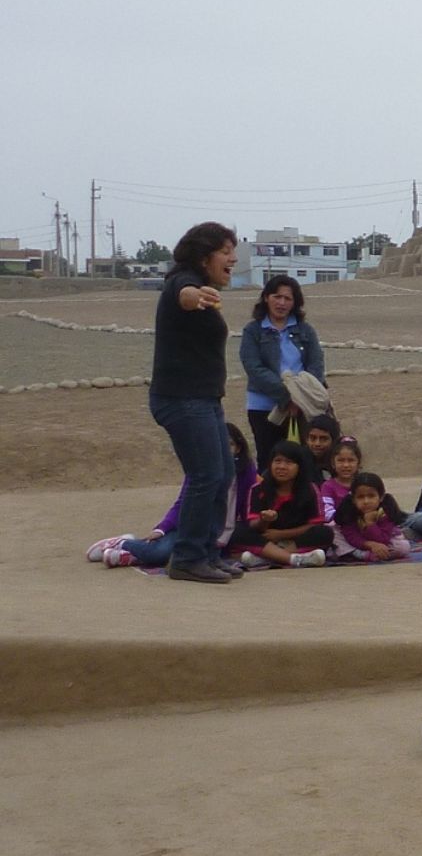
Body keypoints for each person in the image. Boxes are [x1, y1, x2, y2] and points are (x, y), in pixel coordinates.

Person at [148, 221, 242, 584]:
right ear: (205, 257)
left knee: (223, 475)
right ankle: (186, 557)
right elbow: (183, 294)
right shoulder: (183, 281)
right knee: (206, 477)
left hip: (202, 399)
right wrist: (195, 296)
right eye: (226, 252)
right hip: (182, 399)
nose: (233, 258)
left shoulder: (197, 282)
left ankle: (207, 553)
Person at [87, 423, 257, 570]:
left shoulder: (247, 471)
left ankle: (130, 556)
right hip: (189, 527)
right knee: (161, 553)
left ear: (238, 448)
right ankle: (123, 543)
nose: (223, 450)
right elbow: (183, 502)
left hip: (219, 536)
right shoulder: (201, 469)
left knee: (188, 558)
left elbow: (248, 507)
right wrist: (161, 529)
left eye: (229, 445)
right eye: (218, 445)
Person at [239, 274, 328, 469]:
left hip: (304, 407)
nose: (281, 303)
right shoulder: (253, 331)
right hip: (263, 406)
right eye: (276, 296)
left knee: (306, 461)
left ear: (295, 302)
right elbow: (253, 367)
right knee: (270, 460)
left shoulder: (305, 330)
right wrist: (286, 398)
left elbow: (316, 363)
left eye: (287, 298)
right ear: (266, 298)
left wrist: (301, 397)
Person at [231, 441, 334, 567]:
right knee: (237, 531)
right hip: (266, 539)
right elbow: (254, 525)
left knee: (324, 533)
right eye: (278, 461)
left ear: (299, 466)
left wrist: (281, 535)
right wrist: (264, 520)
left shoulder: (310, 489)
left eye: (289, 462)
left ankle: (269, 558)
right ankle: (293, 559)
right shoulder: (258, 489)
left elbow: (315, 523)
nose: (282, 467)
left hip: (294, 539)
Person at [334, 472, 412, 562]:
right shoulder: (349, 512)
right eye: (360, 497)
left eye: (371, 496)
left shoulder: (384, 513)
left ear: (381, 497)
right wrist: (370, 544)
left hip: (382, 543)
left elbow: (383, 539)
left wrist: (370, 524)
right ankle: (360, 554)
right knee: (334, 532)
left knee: (402, 547)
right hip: (358, 543)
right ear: (353, 499)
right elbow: (351, 536)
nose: (366, 501)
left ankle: (362, 554)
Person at [319, 436, 362, 522]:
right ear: (333, 463)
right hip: (339, 526)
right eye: (341, 460)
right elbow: (327, 513)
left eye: (351, 460)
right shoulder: (328, 486)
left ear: (358, 463)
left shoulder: (364, 483)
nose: (346, 465)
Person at [303, 415, 341, 481]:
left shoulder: (341, 464)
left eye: (324, 439)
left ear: (334, 441)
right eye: (313, 438)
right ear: (306, 439)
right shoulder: (300, 462)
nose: (317, 444)